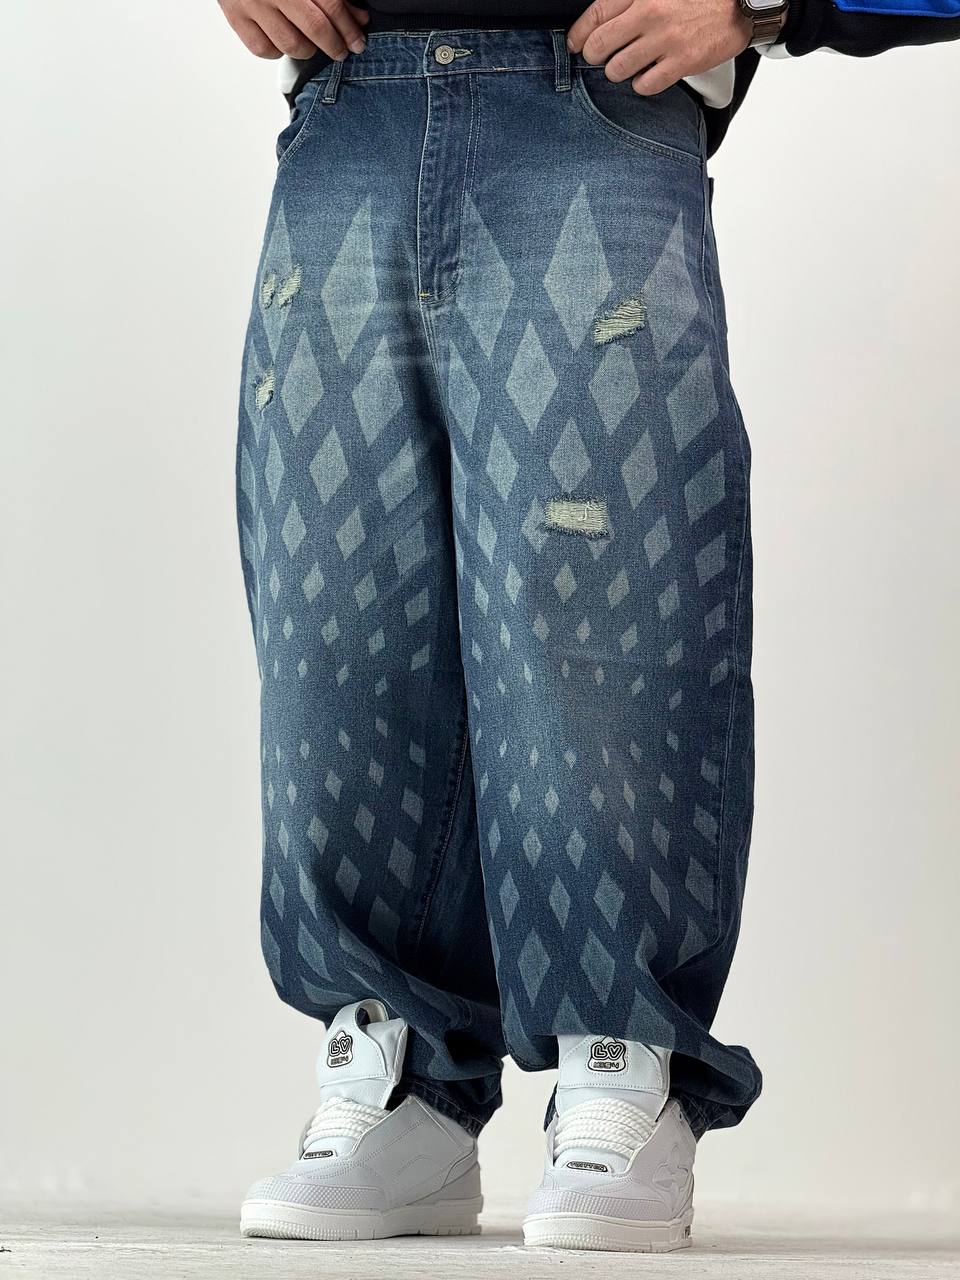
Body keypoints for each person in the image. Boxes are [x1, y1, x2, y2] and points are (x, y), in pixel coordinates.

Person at [223, 0, 958, 1253]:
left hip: (593, 105)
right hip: (345, 107)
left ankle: (622, 1060)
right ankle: (399, 1067)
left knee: (602, 629)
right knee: (335, 632)